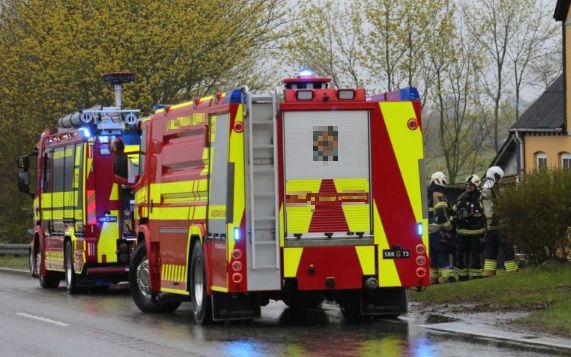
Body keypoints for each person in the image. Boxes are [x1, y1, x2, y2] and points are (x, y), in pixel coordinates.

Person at [481, 166, 518, 276]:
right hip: (499, 225)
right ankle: (512, 271)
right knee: (507, 248)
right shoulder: (490, 189)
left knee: (490, 250)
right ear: (496, 176)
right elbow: (490, 209)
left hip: (490, 228)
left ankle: (489, 272)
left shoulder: (485, 188)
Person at [455, 174, 486, 280]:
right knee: (461, 255)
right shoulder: (461, 198)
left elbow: (485, 213)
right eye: (467, 185)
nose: (468, 187)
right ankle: (463, 276)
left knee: (476, 255)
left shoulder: (481, 197)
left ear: (476, 186)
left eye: (471, 185)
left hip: (476, 232)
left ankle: (477, 275)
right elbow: (454, 211)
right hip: (462, 232)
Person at [427, 171, 455, 284]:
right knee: (442, 253)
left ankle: (432, 279)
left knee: (433, 256)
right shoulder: (438, 195)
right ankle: (446, 278)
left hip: (428, 231)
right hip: (438, 231)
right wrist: (449, 228)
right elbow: (442, 215)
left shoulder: (426, 194)